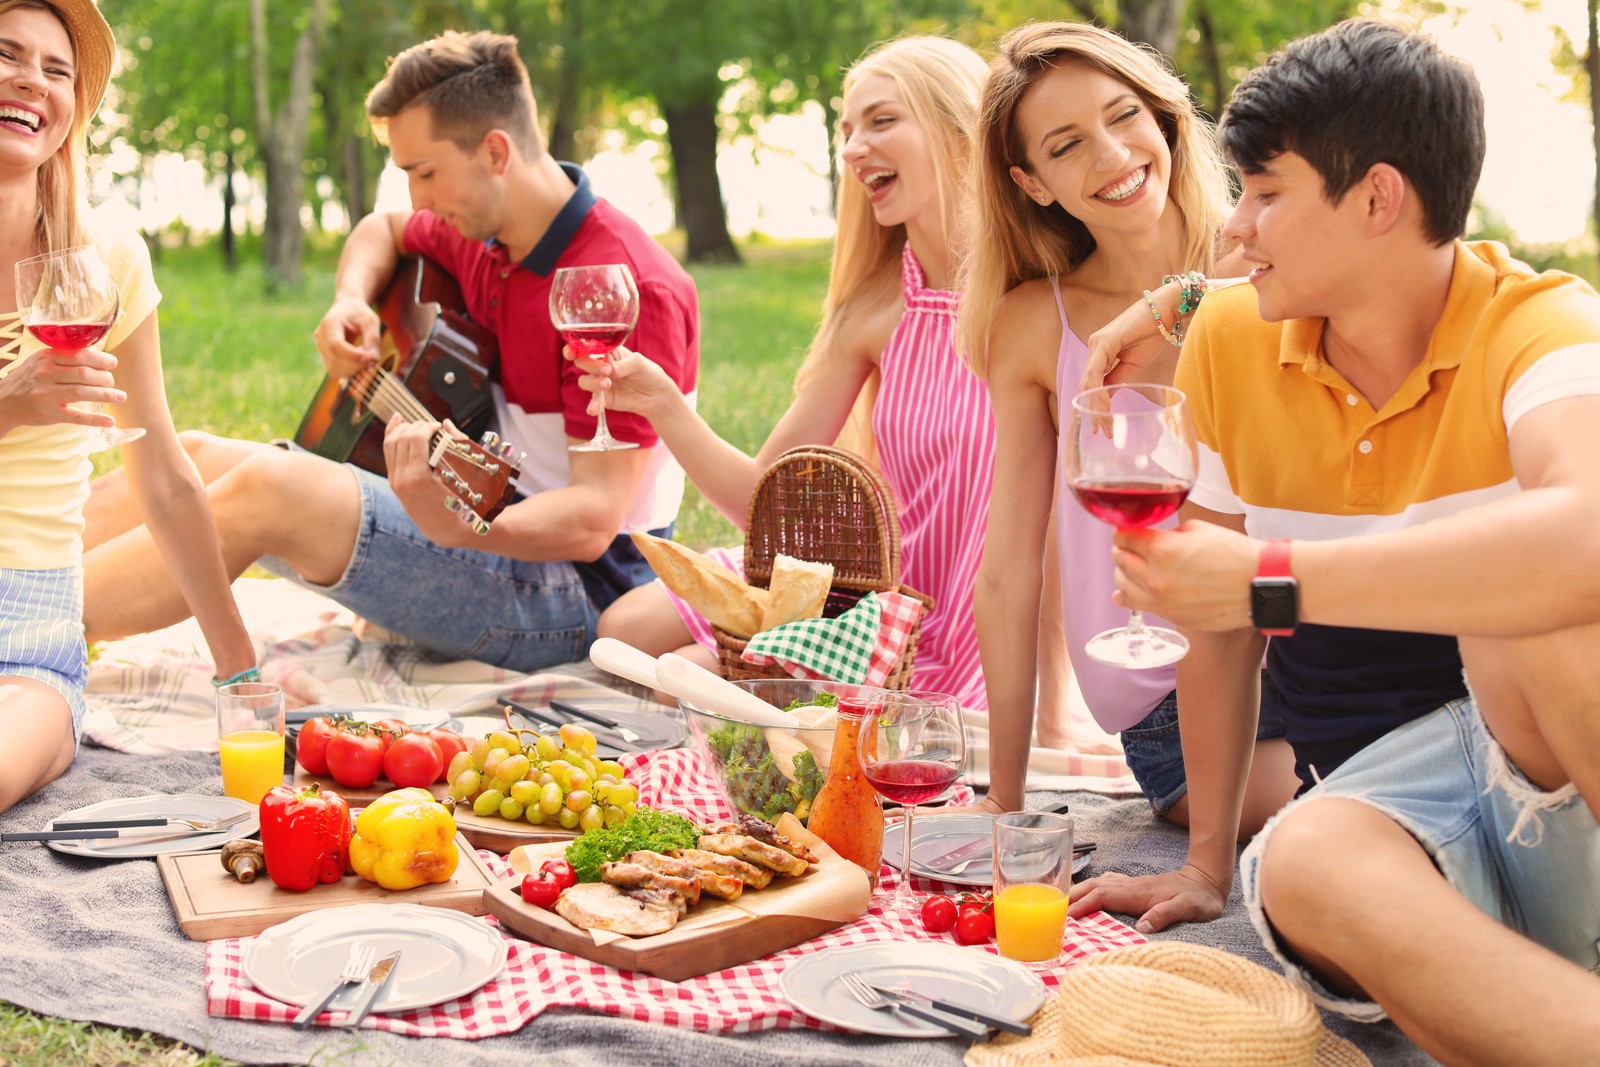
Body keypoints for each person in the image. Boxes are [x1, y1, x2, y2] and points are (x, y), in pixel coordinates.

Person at [1102, 20, 1600, 1064]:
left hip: (1559, 763)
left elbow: (1588, 532)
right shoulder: (1232, 342)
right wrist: (1203, 864)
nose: (1234, 229)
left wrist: (1270, 581)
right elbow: (1219, 630)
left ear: (1377, 198)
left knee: (1532, 619)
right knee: (1295, 856)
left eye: (1265, 191)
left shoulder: (1540, 327)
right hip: (1411, 799)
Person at [79, 29, 699, 673]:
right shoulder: (492, 237)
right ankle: (22, 573)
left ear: (494, 152)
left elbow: (594, 521)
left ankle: (29, 627)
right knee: (200, 454)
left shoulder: (618, 289)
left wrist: (452, 526)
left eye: (424, 173)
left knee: (273, 486)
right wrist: (350, 298)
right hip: (485, 519)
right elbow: (383, 229)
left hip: (576, 594)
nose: (418, 200)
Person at [569, 36, 1039, 714]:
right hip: (868, 597)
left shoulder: (1037, 300)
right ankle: (780, 680)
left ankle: (781, 687)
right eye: (847, 131)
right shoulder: (876, 309)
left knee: (687, 678)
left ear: (961, 126)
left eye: (881, 121)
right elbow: (767, 503)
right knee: (627, 633)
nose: (851, 149)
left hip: (975, 612)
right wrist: (664, 405)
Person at [955, 20, 1294, 919]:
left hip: (1318, 628)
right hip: (1175, 707)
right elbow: (1007, 570)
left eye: (1122, 116)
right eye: (1066, 145)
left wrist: (1178, 299)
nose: (1111, 155)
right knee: (1334, 818)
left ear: (1166, 117)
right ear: (1032, 183)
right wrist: (1007, 796)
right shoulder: (1034, 323)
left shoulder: (1267, 251)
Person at [0, 0, 253, 814]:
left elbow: (164, 475)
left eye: (56, 69)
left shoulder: (106, 257)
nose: (31, 82)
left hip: (26, 639)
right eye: (7, 53)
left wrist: (240, 670)